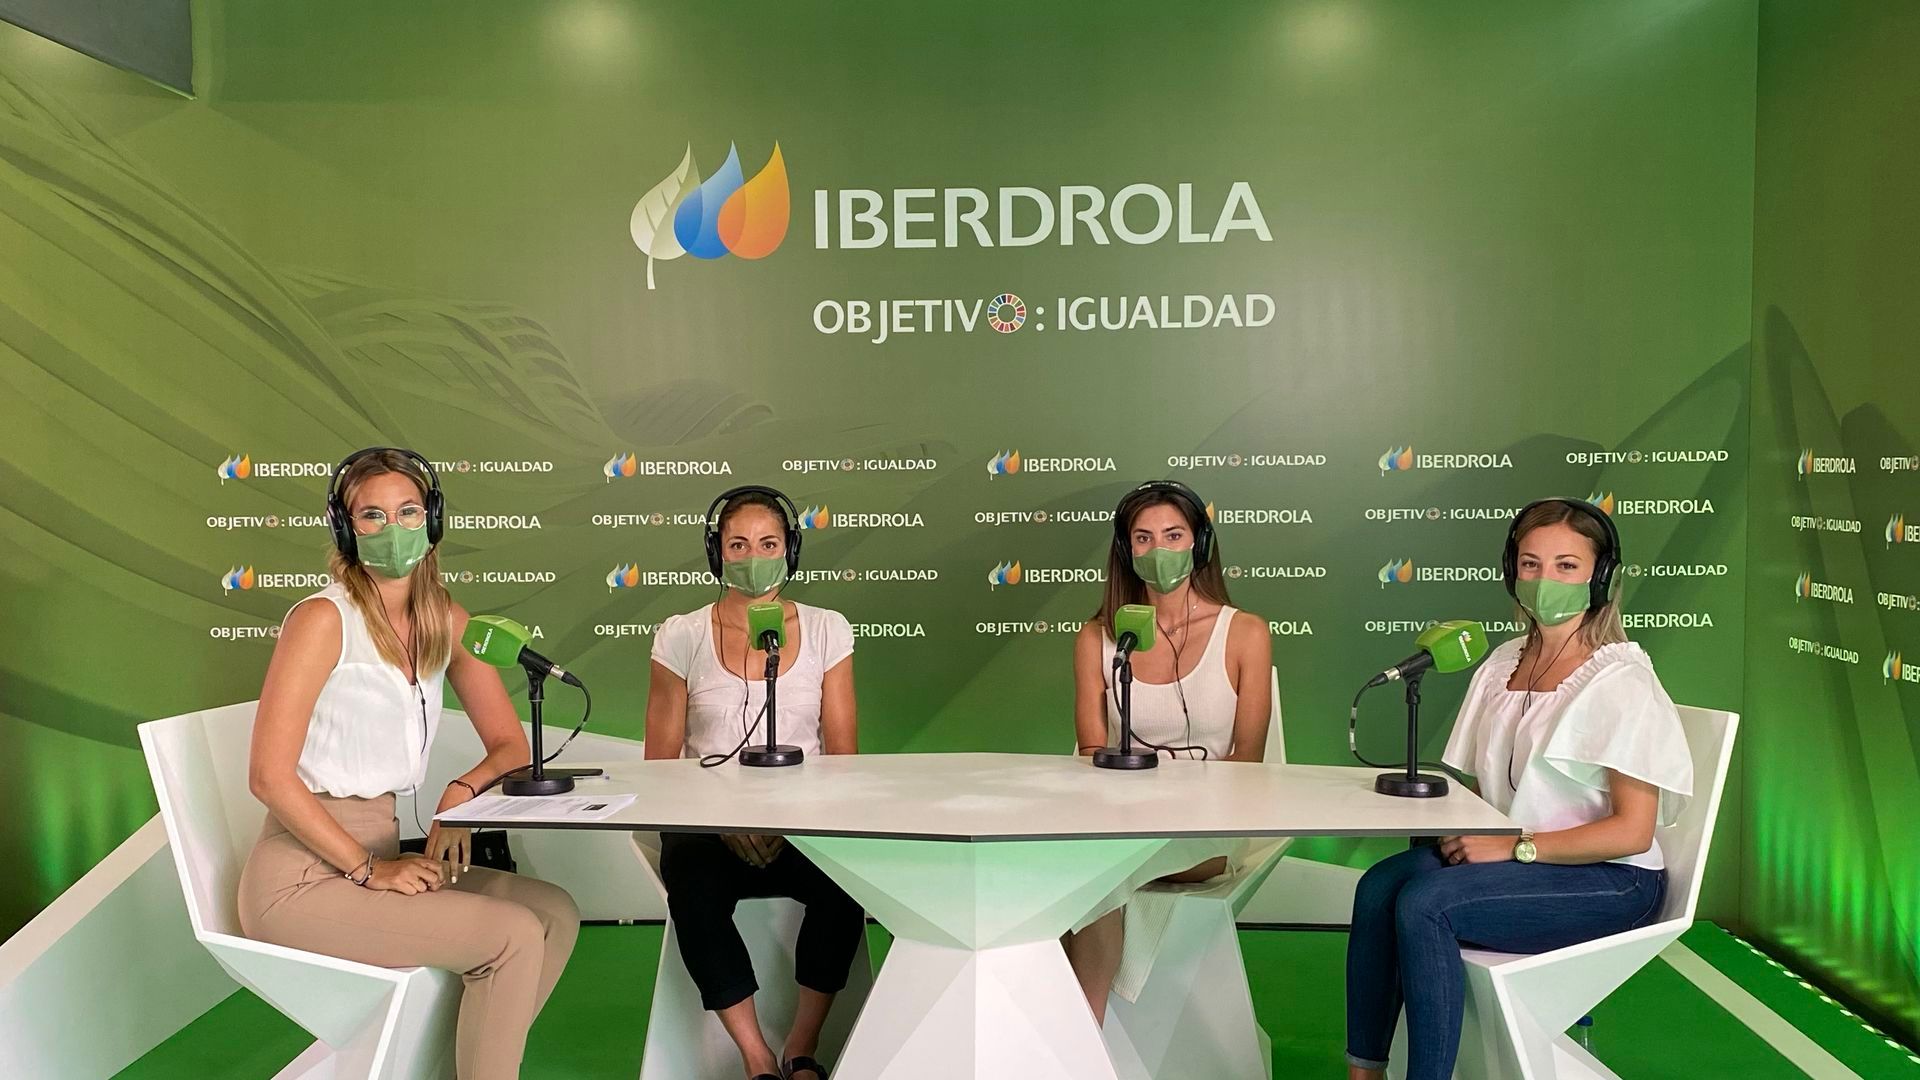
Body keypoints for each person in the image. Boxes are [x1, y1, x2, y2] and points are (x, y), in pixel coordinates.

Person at [238, 447, 579, 1080]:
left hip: (390, 849)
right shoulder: (322, 620)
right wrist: (369, 869)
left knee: (553, 912)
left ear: (432, 521)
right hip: (303, 877)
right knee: (510, 936)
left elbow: (511, 745)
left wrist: (461, 792)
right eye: (371, 515)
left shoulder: (445, 618)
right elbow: (268, 777)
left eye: (408, 510)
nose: (393, 528)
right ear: (346, 529)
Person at [1344, 497, 1695, 1080]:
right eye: (1531, 564)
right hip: (1515, 863)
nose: (1544, 580)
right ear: (1513, 572)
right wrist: (1467, 826)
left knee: (1428, 903)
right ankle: (1364, 1073)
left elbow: (1632, 832)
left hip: (1609, 880)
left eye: (1566, 566)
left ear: (1599, 576)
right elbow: (1483, 789)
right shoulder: (1503, 661)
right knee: (1381, 885)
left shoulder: (1621, 679)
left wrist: (1515, 846)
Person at [644, 485, 864, 1080]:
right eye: (737, 544)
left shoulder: (826, 629)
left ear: (790, 549)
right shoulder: (681, 634)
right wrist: (723, 821)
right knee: (690, 883)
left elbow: (843, 756)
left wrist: (787, 821)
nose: (752, 557)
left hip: (802, 823)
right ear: (717, 553)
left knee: (844, 883)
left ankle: (801, 1048)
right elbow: (660, 764)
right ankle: (756, 1058)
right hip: (708, 828)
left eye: (768, 543)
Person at [1065, 480, 1276, 1022]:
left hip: (1209, 829)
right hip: (1120, 825)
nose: (1158, 550)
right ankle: (1070, 1039)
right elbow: (1091, 750)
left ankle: (1080, 1035)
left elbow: (1248, 762)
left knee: (1094, 876)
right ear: (1126, 551)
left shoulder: (1246, 632)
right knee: (1079, 867)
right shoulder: (1098, 638)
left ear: (1198, 545)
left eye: (1173, 535)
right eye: (1143, 538)